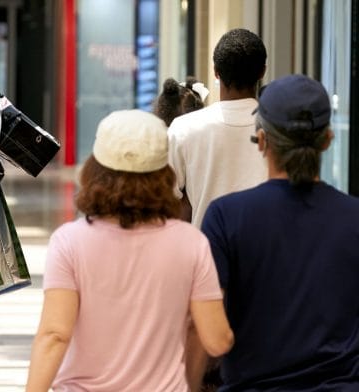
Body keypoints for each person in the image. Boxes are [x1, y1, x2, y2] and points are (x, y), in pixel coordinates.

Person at [25, 110, 233, 392]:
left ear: (94, 169)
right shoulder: (191, 243)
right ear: (164, 173)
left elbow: (54, 335)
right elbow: (215, 339)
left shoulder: (69, 241)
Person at [201, 74, 359, 391]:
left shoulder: (225, 217)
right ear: (327, 139)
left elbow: (206, 328)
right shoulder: (354, 217)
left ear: (261, 140)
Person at [167, 28, 268, 227]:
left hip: (204, 251)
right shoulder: (278, 129)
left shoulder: (184, 129)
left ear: (216, 71)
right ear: (262, 72)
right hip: (265, 253)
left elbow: (165, 199)